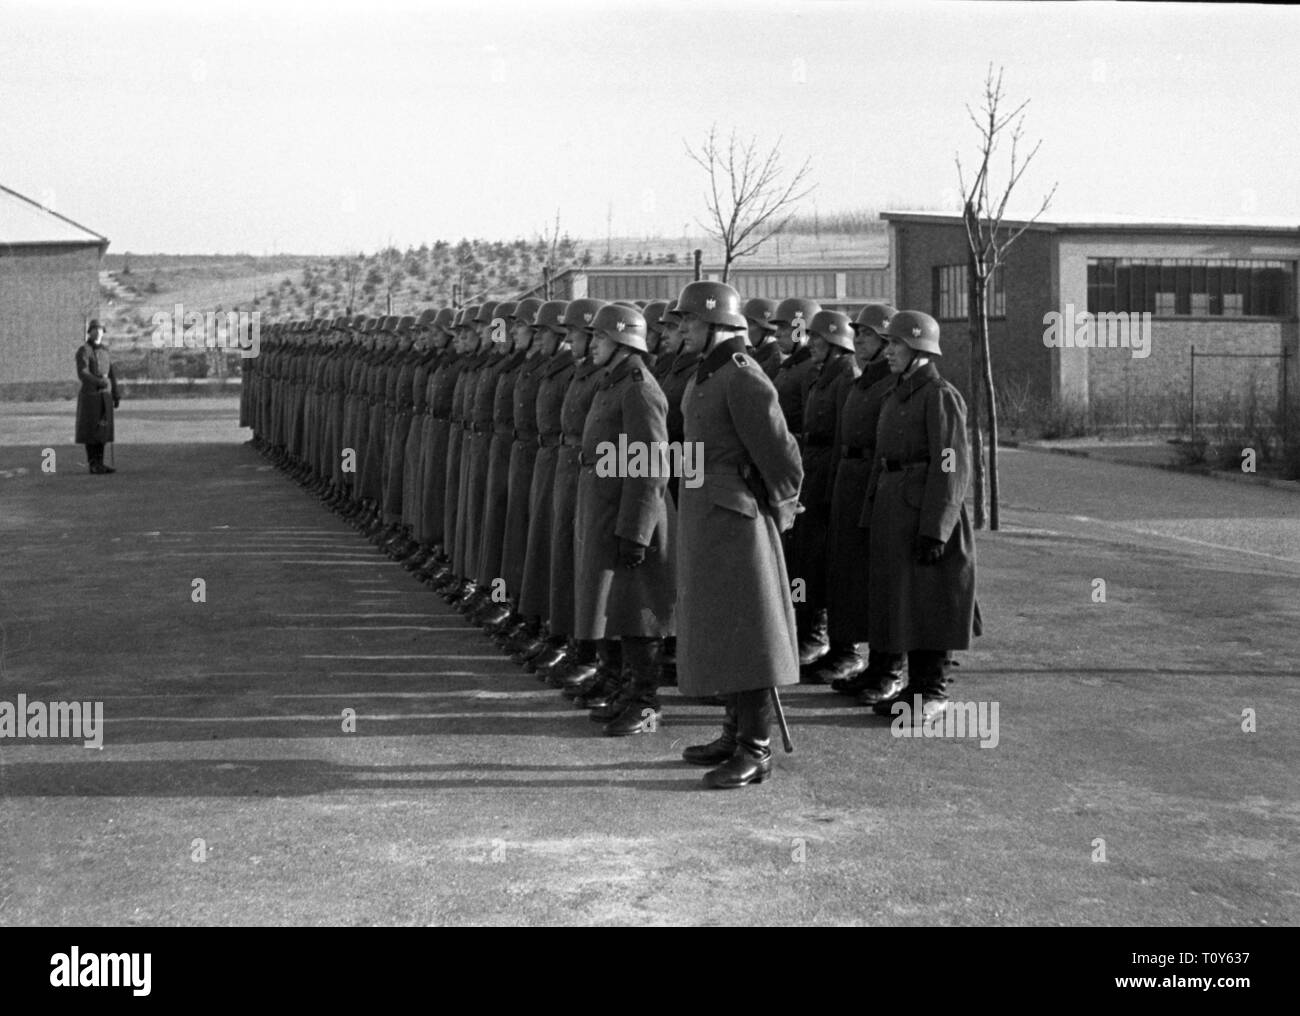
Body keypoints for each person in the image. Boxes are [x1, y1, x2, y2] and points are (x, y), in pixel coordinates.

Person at [673, 281, 803, 789]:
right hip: (707, 516)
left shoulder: (744, 376)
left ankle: (756, 747)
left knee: (749, 630)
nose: (681, 327)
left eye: (689, 320)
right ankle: (733, 731)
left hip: (738, 522)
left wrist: (779, 511)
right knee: (721, 625)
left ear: (717, 324)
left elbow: (784, 460)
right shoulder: (706, 375)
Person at [862, 310, 979, 723]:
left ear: (919, 347)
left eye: (896, 344)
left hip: (925, 513)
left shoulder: (939, 395)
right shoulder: (898, 392)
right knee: (904, 602)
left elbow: (951, 465)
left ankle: (932, 690)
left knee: (930, 603)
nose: (888, 350)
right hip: (896, 509)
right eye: (888, 343)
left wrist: (937, 528)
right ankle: (913, 687)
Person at [573, 303, 675, 735]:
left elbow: (650, 463)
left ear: (621, 340)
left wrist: (636, 531)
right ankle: (625, 689)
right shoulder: (612, 382)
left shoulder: (638, 387)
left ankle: (647, 702)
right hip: (608, 505)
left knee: (639, 611)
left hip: (633, 512)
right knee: (617, 606)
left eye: (598, 337)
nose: (591, 343)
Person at [75, 320, 120, 474]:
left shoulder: (106, 351)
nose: (98, 332)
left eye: (100, 329)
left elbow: (112, 373)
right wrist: (99, 381)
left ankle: (100, 462)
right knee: (91, 431)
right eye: (95, 329)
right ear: (90, 332)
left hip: (105, 396)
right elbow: (83, 372)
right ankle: (93, 463)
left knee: (103, 430)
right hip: (90, 396)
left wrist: (116, 393)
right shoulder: (84, 351)